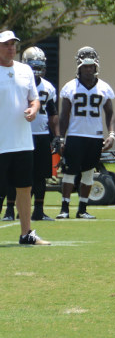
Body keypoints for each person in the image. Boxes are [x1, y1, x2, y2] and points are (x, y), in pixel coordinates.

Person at [0, 31, 49, 245]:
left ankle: (26, 233)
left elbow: (34, 99)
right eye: (6, 44)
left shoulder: (25, 70)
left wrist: (34, 109)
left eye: (13, 44)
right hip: (1, 144)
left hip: (22, 142)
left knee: (24, 187)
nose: (11, 48)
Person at [56, 47, 115, 220]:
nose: (88, 69)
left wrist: (111, 134)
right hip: (75, 136)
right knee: (69, 172)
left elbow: (110, 113)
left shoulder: (104, 87)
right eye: (85, 66)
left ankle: (82, 209)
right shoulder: (70, 87)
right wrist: (61, 137)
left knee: (89, 172)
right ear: (79, 67)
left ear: (96, 66)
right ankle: (64, 208)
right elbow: (64, 116)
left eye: (91, 66)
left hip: (95, 137)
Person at [19, 47, 57, 222]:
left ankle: (39, 210)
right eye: (34, 64)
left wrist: (56, 136)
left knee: (41, 175)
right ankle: (14, 209)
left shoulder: (48, 86)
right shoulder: (20, 82)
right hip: (22, 133)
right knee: (21, 175)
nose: (37, 68)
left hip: (41, 135)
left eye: (40, 65)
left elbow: (52, 114)